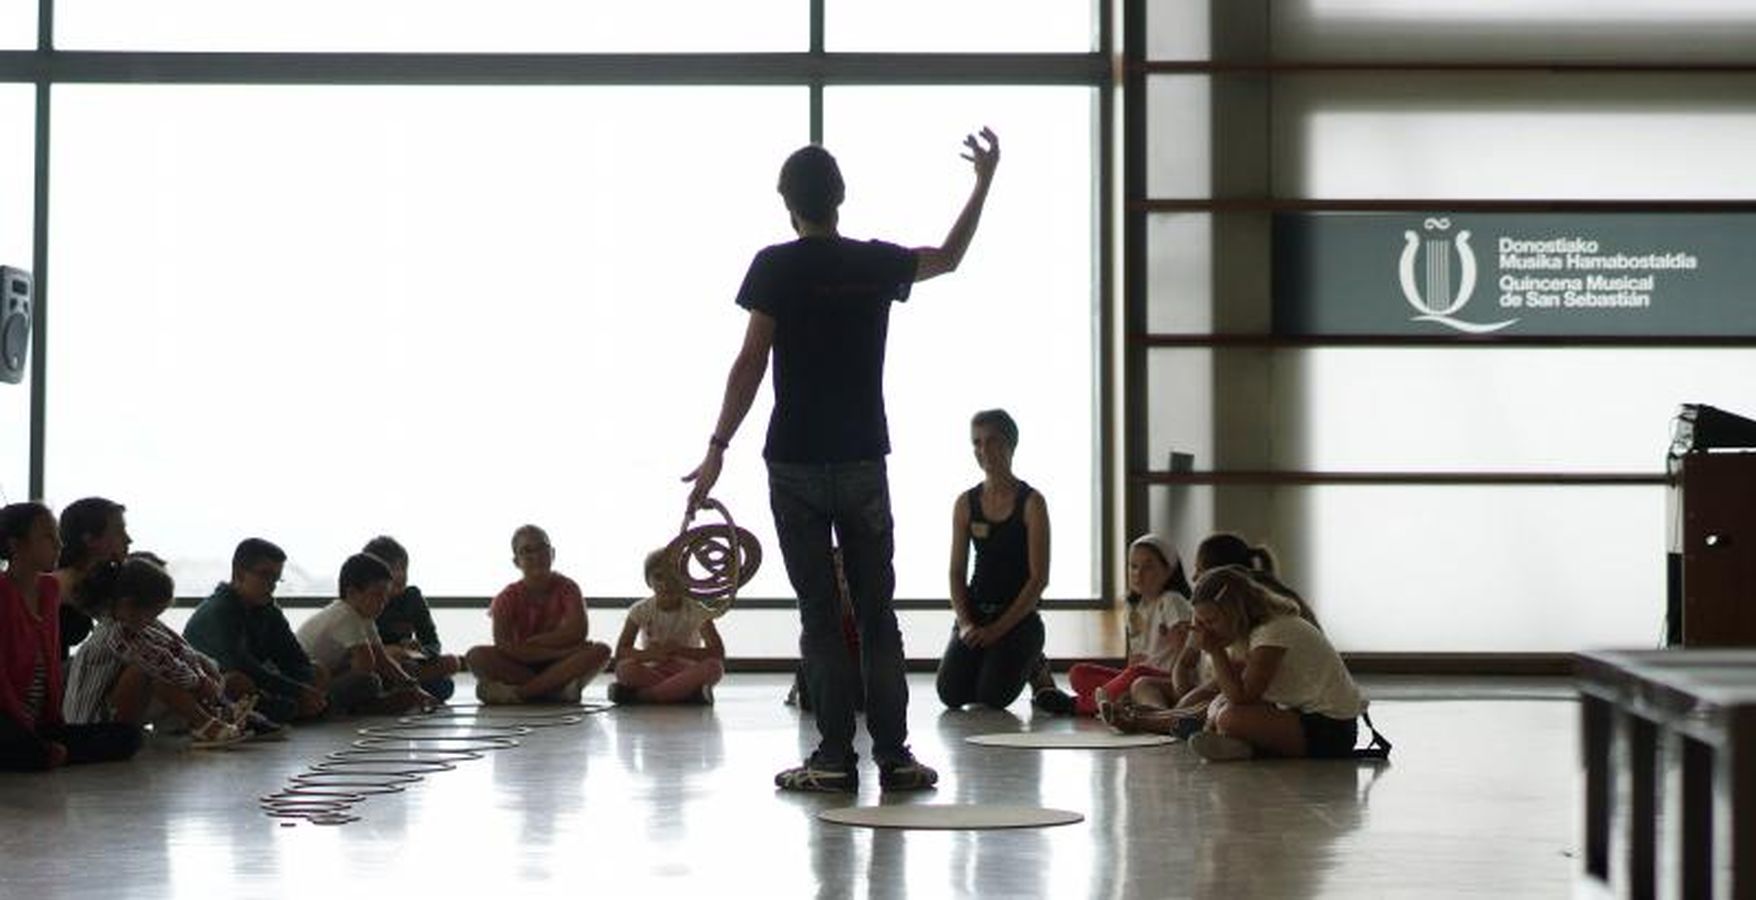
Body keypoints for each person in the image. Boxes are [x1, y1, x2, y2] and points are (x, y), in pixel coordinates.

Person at [684, 129, 1000, 794]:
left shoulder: (774, 266)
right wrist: (982, 182)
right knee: (877, 613)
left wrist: (717, 448)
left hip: (794, 460)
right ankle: (895, 756)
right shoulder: (873, 262)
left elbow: (750, 363)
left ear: (787, 204)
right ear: (841, 198)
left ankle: (831, 757)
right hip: (862, 457)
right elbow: (947, 257)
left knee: (820, 616)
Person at [1121, 532, 1318, 736]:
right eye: (1133, 566)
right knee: (1144, 684)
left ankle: (1158, 720)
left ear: (1222, 579)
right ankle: (1162, 718)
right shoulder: (1209, 609)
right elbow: (1186, 661)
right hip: (1229, 688)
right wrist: (1183, 694)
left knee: (1217, 710)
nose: (1194, 578)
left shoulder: (1258, 617)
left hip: (1274, 699)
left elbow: (1240, 691)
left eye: (1200, 570)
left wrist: (1212, 658)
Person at [62, 556, 267, 747]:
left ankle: (215, 715)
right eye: (150, 616)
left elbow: (174, 647)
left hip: (106, 718)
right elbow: (159, 662)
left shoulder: (131, 625)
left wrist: (203, 674)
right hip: (91, 728)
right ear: (128, 606)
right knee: (154, 670)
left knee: (178, 665)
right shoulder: (116, 633)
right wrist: (198, 682)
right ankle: (205, 724)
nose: (152, 623)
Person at [0, 502, 143, 770]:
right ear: (16, 545)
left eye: (57, 535)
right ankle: (41, 751)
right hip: (7, 714)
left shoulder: (50, 590)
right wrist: (22, 724)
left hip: (39, 723)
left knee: (129, 738)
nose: (59, 543)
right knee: (18, 741)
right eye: (47, 536)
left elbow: (51, 661)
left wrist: (51, 724)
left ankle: (48, 751)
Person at [935, 408, 1057, 712]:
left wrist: (998, 630)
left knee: (992, 696)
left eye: (991, 441)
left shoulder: (1032, 503)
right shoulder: (965, 503)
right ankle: (993, 653)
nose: (983, 450)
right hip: (978, 613)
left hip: (1018, 618)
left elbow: (1039, 578)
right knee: (951, 693)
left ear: (1010, 445)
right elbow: (955, 572)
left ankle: (1035, 665)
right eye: (976, 443)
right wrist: (965, 624)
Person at [1182, 565, 1366, 762]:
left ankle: (1249, 749)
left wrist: (1216, 652)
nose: (1205, 632)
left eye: (1211, 622)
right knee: (1219, 704)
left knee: (1229, 717)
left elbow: (1241, 696)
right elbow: (1231, 690)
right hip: (1302, 714)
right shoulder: (1252, 633)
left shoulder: (1272, 631)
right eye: (1200, 623)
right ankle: (1239, 745)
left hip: (1333, 729)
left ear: (1234, 612)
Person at [183, 538, 329, 724]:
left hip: (259, 687)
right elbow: (242, 666)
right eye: (265, 575)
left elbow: (293, 657)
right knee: (237, 681)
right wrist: (298, 691)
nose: (272, 585)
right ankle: (284, 713)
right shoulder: (220, 610)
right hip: (211, 691)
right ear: (239, 574)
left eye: (276, 578)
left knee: (317, 671)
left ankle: (288, 711)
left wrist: (307, 685)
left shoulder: (267, 609)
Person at [464, 525, 611, 705]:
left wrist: (534, 644)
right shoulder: (506, 597)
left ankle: (522, 693)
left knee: (602, 650)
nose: (536, 555)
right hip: (522, 665)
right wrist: (562, 650)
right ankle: (555, 691)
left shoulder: (568, 588)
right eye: (527, 551)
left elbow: (577, 632)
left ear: (553, 553)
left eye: (542, 548)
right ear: (516, 561)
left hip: (562, 663)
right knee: (476, 656)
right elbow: (505, 646)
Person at [1064, 534, 1193, 719]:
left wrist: (1172, 684)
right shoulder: (1133, 606)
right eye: (1133, 566)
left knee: (1136, 673)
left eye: (1148, 567)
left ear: (1169, 570)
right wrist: (1124, 681)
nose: (1138, 574)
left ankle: (1079, 705)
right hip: (1138, 676)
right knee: (1079, 673)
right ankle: (1118, 699)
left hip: (1166, 677)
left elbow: (1184, 652)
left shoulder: (1172, 600)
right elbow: (1134, 657)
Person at [296, 553, 434, 715]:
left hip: (330, 678)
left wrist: (412, 685)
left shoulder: (364, 617)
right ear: (352, 593)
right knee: (369, 681)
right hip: (309, 684)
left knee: (391, 672)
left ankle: (369, 704)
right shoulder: (344, 614)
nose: (382, 604)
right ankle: (354, 707)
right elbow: (366, 664)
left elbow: (382, 659)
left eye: (385, 597)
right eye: (377, 595)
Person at [609, 548, 727, 705]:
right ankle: (687, 694)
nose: (666, 584)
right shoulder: (640, 610)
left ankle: (644, 696)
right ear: (648, 581)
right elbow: (622, 651)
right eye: (659, 577)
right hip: (653, 669)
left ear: (685, 579)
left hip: (687, 671)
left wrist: (679, 650)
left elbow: (717, 652)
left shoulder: (696, 609)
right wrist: (651, 655)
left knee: (714, 667)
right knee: (624, 669)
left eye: (673, 577)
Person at [362, 535, 461, 702]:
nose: (400, 575)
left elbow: (432, 641)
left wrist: (419, 651)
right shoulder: (366, 600)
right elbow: (356, 652)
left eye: (403, 568)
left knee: (452, 664)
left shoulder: (412, 597)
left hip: (409, 663)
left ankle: (399, 689)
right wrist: (389, 651)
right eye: (392, 568)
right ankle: (399, 688)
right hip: (379, 663)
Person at [52, 496, 131, 659]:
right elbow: (129, 622)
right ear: (90, 540)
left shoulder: (99, 576)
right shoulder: (65, 581)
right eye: (119, 531)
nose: (128, 539)